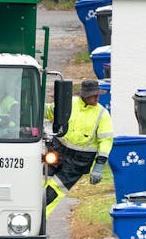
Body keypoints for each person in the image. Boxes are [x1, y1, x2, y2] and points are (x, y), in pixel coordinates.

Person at [43, 79, 113, 217]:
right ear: (84, 95)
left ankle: (39, 219)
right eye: (94, 95)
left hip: (79, 162)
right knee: (38, 182)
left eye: (98, 94)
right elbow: (50, 111)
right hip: (58, 151)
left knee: (54, 190)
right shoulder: (70, 103)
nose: (97, 98)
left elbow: (106, 141)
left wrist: (99, 165)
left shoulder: (102, 114)